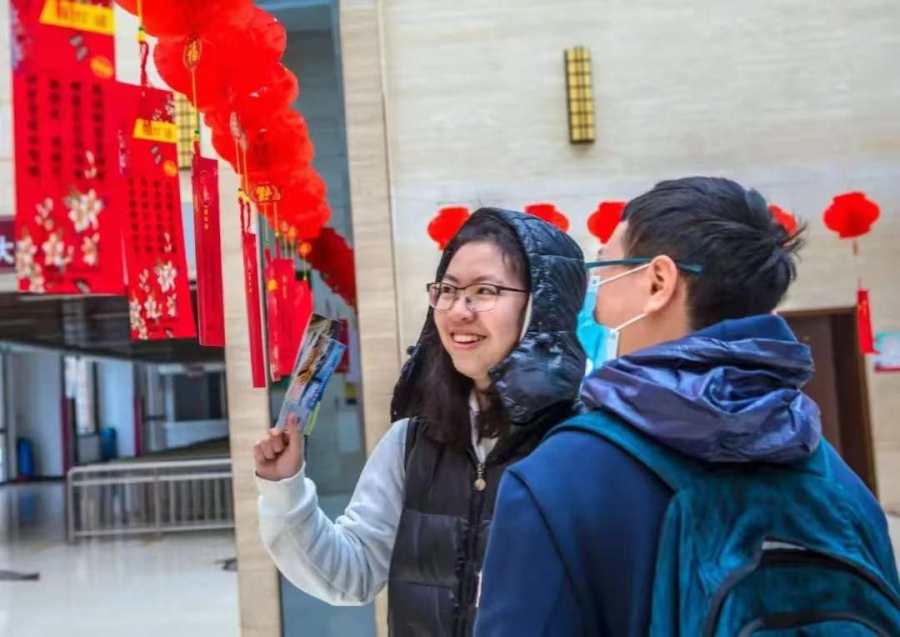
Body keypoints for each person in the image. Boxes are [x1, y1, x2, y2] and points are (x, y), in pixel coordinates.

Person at [475, 177, 900, 636]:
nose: (590, 303)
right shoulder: (836, 481)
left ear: (658, 281)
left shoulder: (556, 479)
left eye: (602, 272)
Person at [253, 208, 587, 636]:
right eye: (448, 290)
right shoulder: (411, 441)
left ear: (542, 306)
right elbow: (351, 575)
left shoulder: (583, 443)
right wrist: (285, 489)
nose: (458, 311)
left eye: (485, 291)